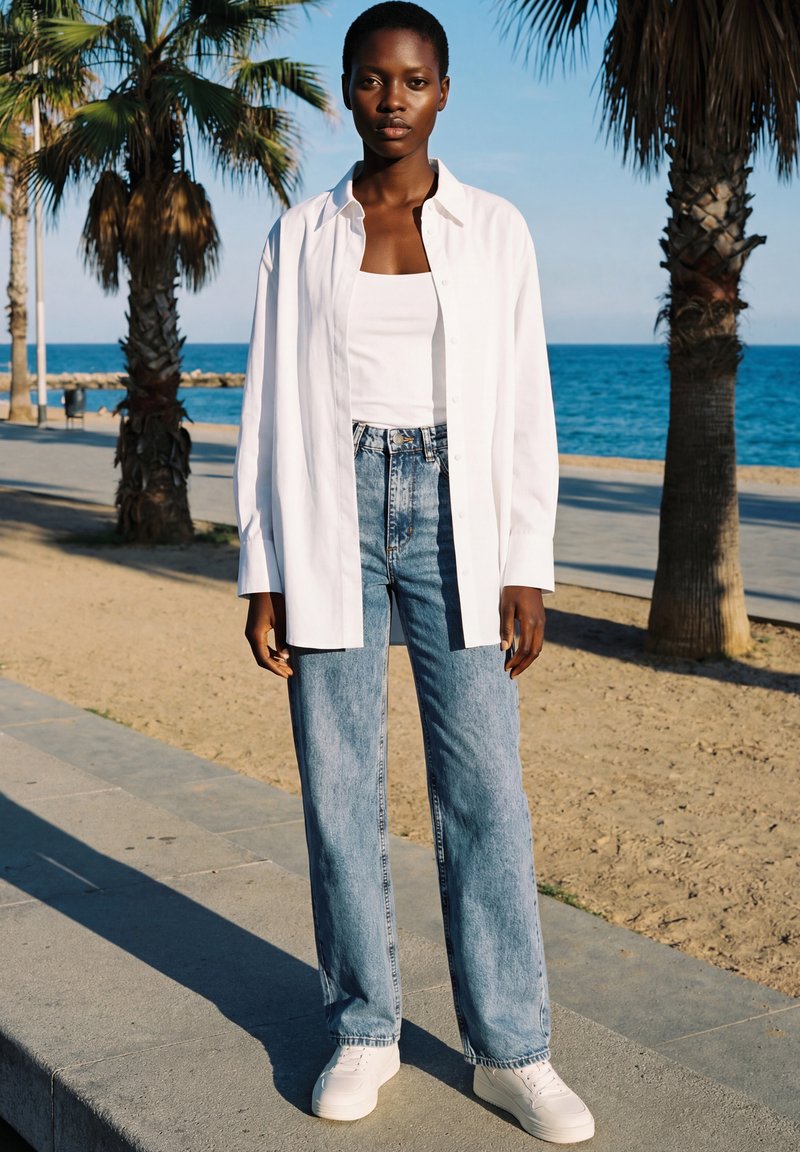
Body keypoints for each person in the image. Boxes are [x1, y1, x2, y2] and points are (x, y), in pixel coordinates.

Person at [235, 2, 595, 1143]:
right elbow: (263, 408)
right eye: (373, 78)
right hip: (331, 507)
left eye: (415, 79)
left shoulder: (496, 230)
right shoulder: (300, 235)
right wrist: (264, 568)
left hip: (458, 515)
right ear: (346, 90)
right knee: (338, 789)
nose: (393, 98)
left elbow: (526, 403)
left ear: (442, 92)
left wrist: (526, 563)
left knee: (483, 789)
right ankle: (364, 1028)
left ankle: (512, 1051)